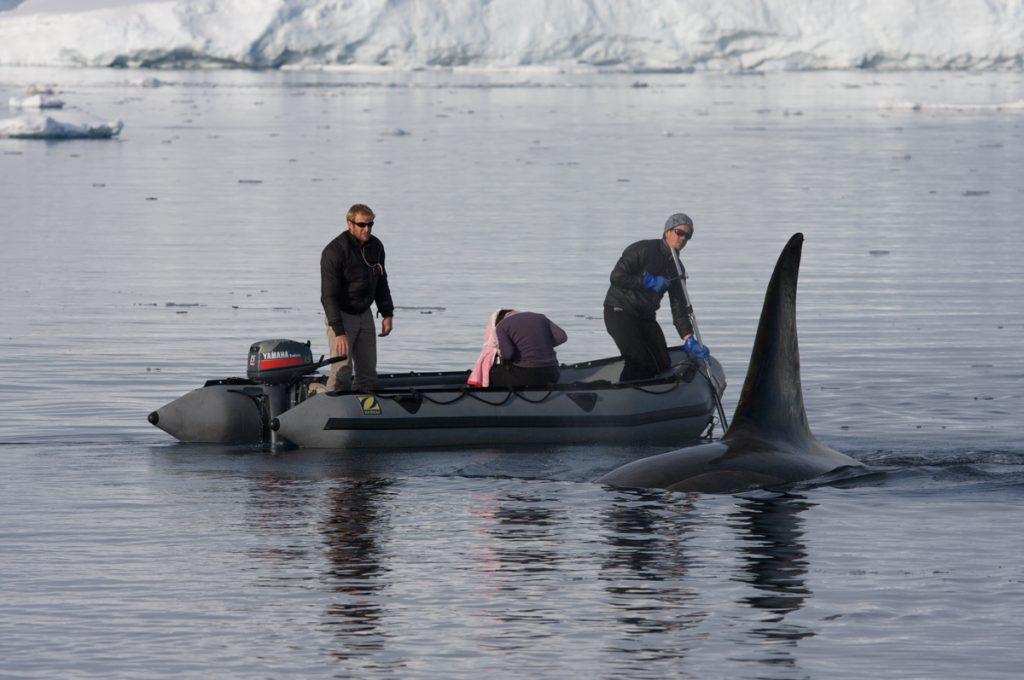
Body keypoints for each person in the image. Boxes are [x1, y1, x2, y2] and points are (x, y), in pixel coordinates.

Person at [603, 212, 705, 382]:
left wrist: (689, 338)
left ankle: (654, 394)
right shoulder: (642, 250)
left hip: (646, 317)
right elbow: (616, 277)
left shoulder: (677, 268)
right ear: (667, 232)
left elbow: (678, 306)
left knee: (662, 364)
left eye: (688, 236)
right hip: (620, 311)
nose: (683, 238)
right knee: (638, 360)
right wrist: (647, 281)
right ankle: (624, 397)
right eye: (680, 232)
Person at [320, 203, 394, 391]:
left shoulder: (376, 246)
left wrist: (387, 313)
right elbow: (328, 296)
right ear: (350, 224)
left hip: (364, 313)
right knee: (342, 372)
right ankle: (321, 397)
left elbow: (381, 282)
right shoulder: (334, 251)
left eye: (370, 224)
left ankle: (362, 415)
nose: (367, 229)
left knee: (368, 374)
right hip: (341, 315)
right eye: (362, 225)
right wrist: (339, 332)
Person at [487, 309, 568, 387]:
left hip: (526, 375)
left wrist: (500, 350)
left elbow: (508, 355)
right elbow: (562, 337)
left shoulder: (502, 326)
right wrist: (542, 345)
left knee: (492, 372)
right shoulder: (540, 317)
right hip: (553, 373)